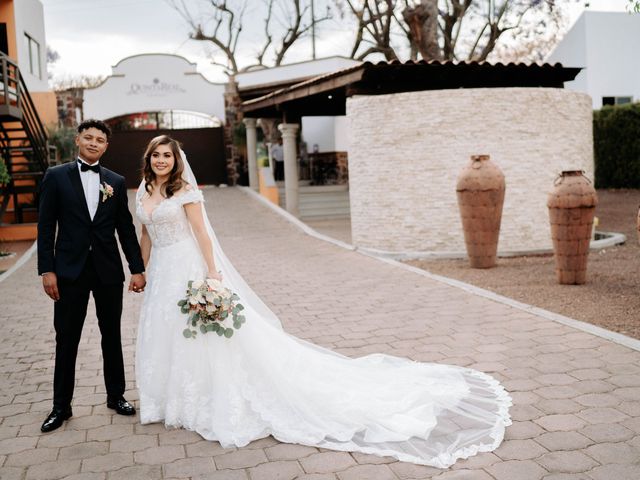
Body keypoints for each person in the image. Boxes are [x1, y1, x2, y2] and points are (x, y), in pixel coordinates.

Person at [135, 135, 512, 468]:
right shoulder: (143, 189)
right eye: (156, 156)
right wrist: (141, 269)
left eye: (167, 155)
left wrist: (213, 274)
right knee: (168, 332)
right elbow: (146, 233)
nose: (162, 161)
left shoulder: (186, 191)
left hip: (189, 268)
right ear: (149, 160)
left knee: (203, 335)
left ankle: (208, 399)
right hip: (162, 275)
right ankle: (174, 401)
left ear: (177, 159)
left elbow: (202, 234)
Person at [37, 119, 146, 433]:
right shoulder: (55, 177)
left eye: (100, 139)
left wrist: (136, 268)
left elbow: (125, 229)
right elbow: (45, 228)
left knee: (111, 334)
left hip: (108, 271)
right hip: (68, 272)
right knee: (66, 338)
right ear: (78, 140)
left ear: (106, 146)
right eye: (89, 137)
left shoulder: (115, 180)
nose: (94, 143)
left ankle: (116, 395)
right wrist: (47, 269)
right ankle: (61, 407)